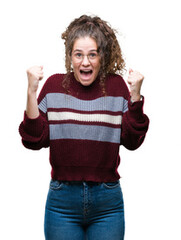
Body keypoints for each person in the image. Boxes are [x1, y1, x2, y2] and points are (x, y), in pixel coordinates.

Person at [19, 15, 149, 240]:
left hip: (107, 204)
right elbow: (34, 139)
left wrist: (136, 96)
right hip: (62, 203)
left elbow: (132, 140)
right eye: (78, 55)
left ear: (102, 57)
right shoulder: (53, 86)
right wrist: (31, 92)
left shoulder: (117, 87)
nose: (85, 62)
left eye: (92, 54)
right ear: (70, 56)